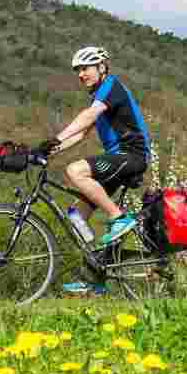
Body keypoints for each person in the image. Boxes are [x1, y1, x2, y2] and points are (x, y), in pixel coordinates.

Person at [45, 45, 150, 295]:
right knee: (76, 219)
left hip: (131, 155)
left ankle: (118, 218)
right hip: (116, 158)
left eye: (86, 68)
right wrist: (48, 151)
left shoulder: (111, 87)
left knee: (76, 171)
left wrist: (57, 137)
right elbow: (81, 134)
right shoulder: (99, 98)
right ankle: (96, 276)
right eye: (78, 70)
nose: (81, 74)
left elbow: (88, 117)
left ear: (102, 68)